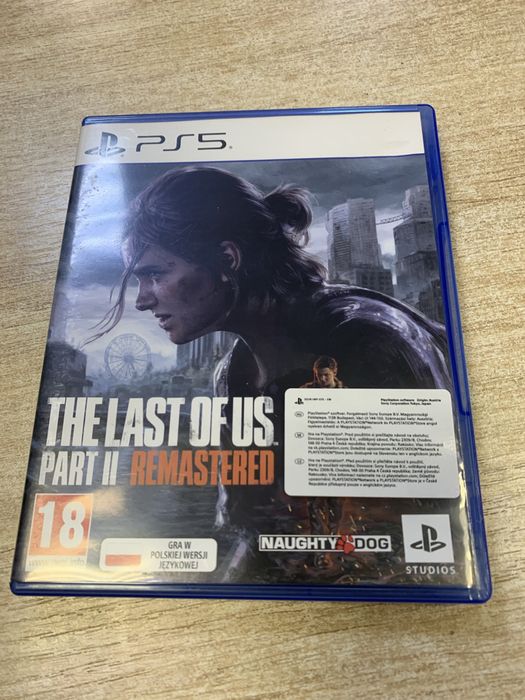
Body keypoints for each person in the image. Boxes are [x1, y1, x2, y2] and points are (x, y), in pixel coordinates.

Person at [101, 166, 452, 582]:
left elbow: (427, 540)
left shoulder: (367, 339)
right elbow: (253, 533)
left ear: (227, 259)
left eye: (155, 275)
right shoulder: (234, 374)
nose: (142, 300)